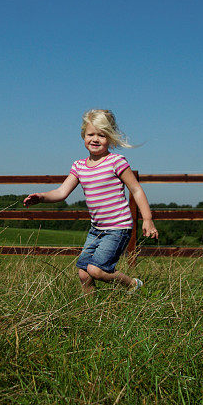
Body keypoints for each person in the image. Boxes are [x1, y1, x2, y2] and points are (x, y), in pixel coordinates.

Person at [23, 109, 159, 294]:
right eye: (91, 134)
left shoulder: (116, 162)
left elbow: (135, 189)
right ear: (83, 136)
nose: (95, 139)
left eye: (102, 135)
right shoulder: (79, 166)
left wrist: (148, 219)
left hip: (118, 228)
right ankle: (91, 310)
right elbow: (62, 192)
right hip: (96, 229)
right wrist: (42, 197)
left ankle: (133, 284)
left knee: (97, 270)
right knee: (84, 273)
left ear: (110, 138)